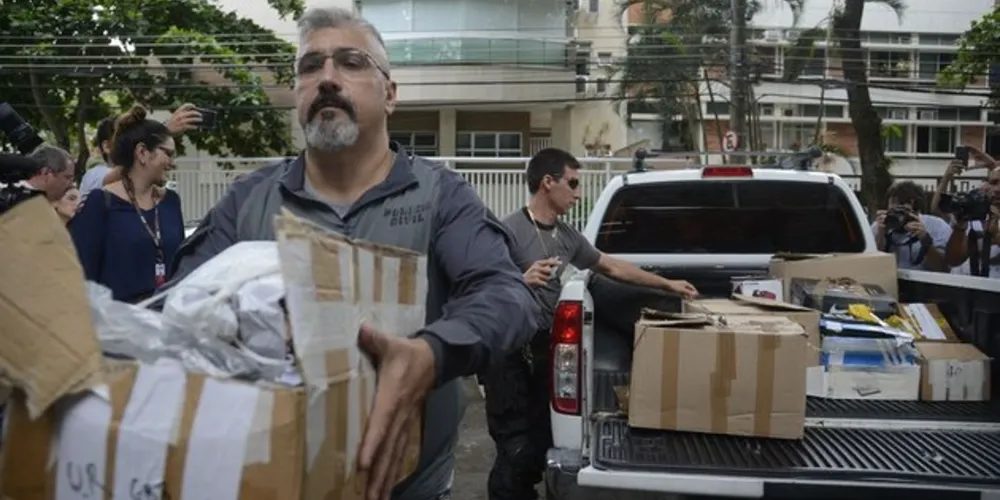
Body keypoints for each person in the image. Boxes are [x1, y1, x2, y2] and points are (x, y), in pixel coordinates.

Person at [167, 7, 539, 500]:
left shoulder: (441, 196)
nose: (326, 78)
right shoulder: (247, 201)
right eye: (309, 66)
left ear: (389, 94)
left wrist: (432, 352)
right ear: (298, 94)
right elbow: (178, 310)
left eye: (350, 62)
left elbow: (505, 293)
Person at [485, 147, 699, 500]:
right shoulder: (508, 230)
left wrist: (667, 284)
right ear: (547, 182)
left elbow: (612, 267)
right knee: (514, 451)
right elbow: (477, 287)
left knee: (539, 445)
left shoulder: (568, 237)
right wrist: (519, 280)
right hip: (507, 358)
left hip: (544, 356)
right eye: (573, 183)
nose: (578, 193)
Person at [69, 105, 185, 303]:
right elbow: (82, 278)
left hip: (166, 323)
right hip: (118, 326)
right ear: (142, 153)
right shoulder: (100, 203)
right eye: (168, 154)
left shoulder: (171, 202)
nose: (173, 163)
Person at [80, 104, 201, 199]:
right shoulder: (94, 176)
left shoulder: (164, 199)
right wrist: (163, 131)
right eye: (120, 136)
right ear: (106, 146)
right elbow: (122, 173)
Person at [932, 146, 1000, 277]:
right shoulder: (974, 212)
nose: (997, 189)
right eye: (994, 182)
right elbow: (953, 260)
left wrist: (996, 236)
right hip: (968, 289)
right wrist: (960, 226)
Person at [872, 180, 951, 272]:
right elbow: (872, 265)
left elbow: (942, 267)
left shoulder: (936, 225)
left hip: (924, 282)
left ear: (916, 208)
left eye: (903, 204)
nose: (897, 208)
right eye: (893, 202)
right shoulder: (879, 226)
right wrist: (881, 235)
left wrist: (925, 239)